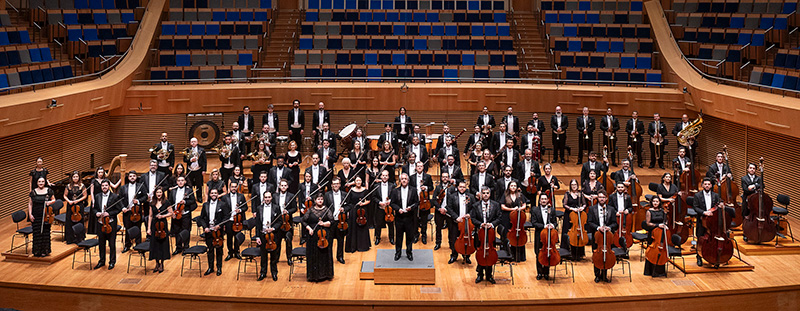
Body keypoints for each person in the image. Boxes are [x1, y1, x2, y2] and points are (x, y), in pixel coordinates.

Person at [692, 177, 728, 267]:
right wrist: (704, 212)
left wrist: (721, 205)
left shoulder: (715, 195)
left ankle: (713, 257)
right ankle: (699, 257)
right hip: (702, 221)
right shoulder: (697, 195)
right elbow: (695, 207)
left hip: (712, 222)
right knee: (700, 238)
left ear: (711, 185)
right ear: (702, 185)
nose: (707, 186)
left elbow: (720, 203)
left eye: (709, 184)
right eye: (705, 184)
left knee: (713, 240)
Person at [471, 186, 501, 284]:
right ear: (481, 194)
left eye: (487, 193)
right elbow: (473, 218)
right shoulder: (476, 205)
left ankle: (489, 275)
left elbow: (499, 218)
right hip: (480, 233)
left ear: (490, 194)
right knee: (480, 254)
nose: (485, 195)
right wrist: (480, 224)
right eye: (484, 193)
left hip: (491, 233)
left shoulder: (496, 205)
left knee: (490, 253)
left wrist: (492, 224)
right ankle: (480, 274)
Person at [302, 193, 334, 282]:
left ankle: (325, 274)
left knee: (324, 254)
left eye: (321, 199)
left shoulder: (327, 210)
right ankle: (313, 276)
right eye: (318, 199)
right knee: (313, 254)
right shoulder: (310, 210)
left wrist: (324, 224)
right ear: (315, 200)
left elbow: (332, 221)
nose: (320, 201)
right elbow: (304, 221)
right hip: (313, 235)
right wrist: (309, 228)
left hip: (324, 236)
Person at [586, 191, 617, 283]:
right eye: (600, 197)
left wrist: (609, 227)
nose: (602, 199)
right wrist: (598, 228)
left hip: (608, 236)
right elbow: (589, 222)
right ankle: (597, 275)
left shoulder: (611, 209)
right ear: (597, 198)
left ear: (606, 198)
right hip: (597, 236)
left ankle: (604, 275)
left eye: (603, 197)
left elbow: (615, 223)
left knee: (607, 255)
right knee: (597, 255)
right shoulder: (592, 209)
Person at [198, 188, 229, 276]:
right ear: (210, 194)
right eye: (212, 193)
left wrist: (219, 225)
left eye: (215, 193)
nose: (214, 194)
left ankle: (219, 268)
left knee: (219, 250)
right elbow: (201, 218)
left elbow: (227, 216)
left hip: (218, 232)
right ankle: (210, 267)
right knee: (210, 250)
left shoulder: (222, 204)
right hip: (209, 231)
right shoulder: (205, 205)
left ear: (218, 194)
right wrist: (205, 227)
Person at [93, 180, 121, 269]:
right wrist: (96, 213)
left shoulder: (114, 196)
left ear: (109, 186)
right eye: (103, 185)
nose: (104, 187)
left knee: (112, 244)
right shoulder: (97, 196)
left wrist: (109, 213)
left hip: (110, 223)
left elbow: (118, 209)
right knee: (101, 244)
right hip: (100, 223)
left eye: (106, 185)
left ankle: (112, 262)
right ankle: (101, 261)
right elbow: (94, 209)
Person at [255, 191, 282, 281]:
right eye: (265, 197)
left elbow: (280, 221)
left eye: (269, 197)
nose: (267, 199)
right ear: (263, 198)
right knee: (263, 256)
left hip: (273, 235)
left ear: (271, 198)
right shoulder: (259, 208)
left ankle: (274, 273)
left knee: (274, 256)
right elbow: (258, 224)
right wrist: (257, 237)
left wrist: (273, 228)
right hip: (263, 235)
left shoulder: (276, 208)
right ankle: (263, 273)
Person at [391, 173, 419, 261]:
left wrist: (411, 208)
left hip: (409, 218)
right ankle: (398, 253)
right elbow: (392, 203)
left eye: (405, 179)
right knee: (398, 237)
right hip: (399, 218)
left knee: (409, 237)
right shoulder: (395, 191)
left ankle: (409, 252)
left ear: (408, 180)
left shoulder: (413, 190)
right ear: (400, 180)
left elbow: (417, 202)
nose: (404, 180)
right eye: (402, 179)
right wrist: (398, 209)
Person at [147, 186, 172, 273]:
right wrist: (148, 228)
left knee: (163, 245)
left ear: (162, 193)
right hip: (154, 225)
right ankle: (156, 263)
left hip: (163, 225)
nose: (159, 194)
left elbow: (171, 213)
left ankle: (161, 263)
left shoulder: (166, 202)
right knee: (155, 245)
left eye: (160, 192)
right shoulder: (152, 203)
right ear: (155, 193)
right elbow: (150, 216)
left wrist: (163, 216)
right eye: (157, 192)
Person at [501, 180, 528, 262]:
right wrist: (512, 209)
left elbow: (524, 205)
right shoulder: (505, 195)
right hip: (507, 217)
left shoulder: (520, 195)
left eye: (514, 186)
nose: (513, 187)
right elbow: (502, 206)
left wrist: (520, 209)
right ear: (509, 187)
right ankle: (508, 255)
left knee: (519, 235)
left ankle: (519, 256)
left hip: (518, 218)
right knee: (508, 235)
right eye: (511, 186)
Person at [532, 194, 558, 280]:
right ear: (539, 200)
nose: (543, 200)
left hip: (549, 235)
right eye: (542, 199)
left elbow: (555, 222)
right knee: (538, 253)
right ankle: (539, 273)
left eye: (545, 199)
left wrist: (552, 225)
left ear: (548, 201)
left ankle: (546, 272)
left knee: (548, 253)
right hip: (539, 235)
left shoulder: (552, 210)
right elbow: (534, 223)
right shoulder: (535, 210)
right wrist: (544, 226)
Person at [119, 171, 146, 253]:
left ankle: (138, 245)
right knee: (127, 229)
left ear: (136, 177)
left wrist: (138, 201)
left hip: (137, 211)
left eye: (134, 176)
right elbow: (120, 200)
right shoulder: (123, 187)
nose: (132, 177)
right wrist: (123, 207)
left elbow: (145, 196)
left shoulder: (140, 186)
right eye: (130, 176)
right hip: (127, 212)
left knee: (138, 228)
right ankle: (127, 245)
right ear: (128, 178)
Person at [446, 181, 472, 264]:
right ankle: (454, 255)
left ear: (466, 188)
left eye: (464, 187)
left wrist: (469, 214)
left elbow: (474, 207)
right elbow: (449, 208)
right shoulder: (452, 196)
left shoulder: (470, 196)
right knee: (453, 239)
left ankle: (467, 256)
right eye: (460, 187)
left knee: (467, 239)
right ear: (457, 187)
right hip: (455, 221)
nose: (462, 188)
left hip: (466, 222)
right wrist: (456, 217)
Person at [29, 177, 56, 257]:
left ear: (45, 182)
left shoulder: (49, 191)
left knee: (45, 233)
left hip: (46, 215)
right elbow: (30, 204)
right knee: (37, 233)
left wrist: (49, 202)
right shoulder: (33, 192)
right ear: (37, 182)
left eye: (42, 181)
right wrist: (30, 214)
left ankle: (45, 250)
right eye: (39, 181)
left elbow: (54, 200)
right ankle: (37, 251)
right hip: (36, 215)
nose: (41, 183)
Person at [170, 176, 197, 255]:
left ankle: (186, 247)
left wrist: (185, 202)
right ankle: (178, 247)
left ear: (185, 181)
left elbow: (192, 201)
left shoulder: (189, 190)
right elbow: (170, 202)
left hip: (185, 214)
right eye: (179, 180)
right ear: (177, 182)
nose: (180, 182)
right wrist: (172, 213)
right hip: (176, 214)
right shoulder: (173, 191)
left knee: (186, 230)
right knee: (177, 231)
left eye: (182, 180)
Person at [561, 179, 586, 260]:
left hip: (578, 215)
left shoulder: (580, 194)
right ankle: (568, 252)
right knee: (569, 232)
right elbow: (564, 205)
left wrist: (582, 208)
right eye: (572, 185)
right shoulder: (567, 194)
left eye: (575, 184)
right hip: (569, 215)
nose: (574, 186)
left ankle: (579, 252)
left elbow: (584, 203)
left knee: (578, 231)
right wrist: (572, 208)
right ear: (570, 186)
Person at [326, 177, 349, 264]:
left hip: (341, 221)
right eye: (334, 184)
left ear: (340, 185)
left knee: (340, 240)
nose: (336, 185)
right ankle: (329, 258)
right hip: (331, 221)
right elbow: (325, 207)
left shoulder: (344, 194)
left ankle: (340, 257)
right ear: (332, 185)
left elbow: (349, 206)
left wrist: (344, 209)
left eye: (337, 184)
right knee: (330, 240)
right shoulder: (327, 195)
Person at [274, 179, 298, 264]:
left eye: (285, 185)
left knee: (288, 241)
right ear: (279, 186)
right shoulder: (275, 196)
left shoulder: (291, 196)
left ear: (287, 186)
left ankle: (289, 258)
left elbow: (295, 208)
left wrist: (287, 211)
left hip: (288, 222)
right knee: (277, 241)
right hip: (278, 222)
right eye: (282, 185)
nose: (283, 187)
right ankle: (276, 258)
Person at [222, 181, 247, 261]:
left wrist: (240, 209)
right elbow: (223, 210)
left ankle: (237, 252)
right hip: (229, 220)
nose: (233, 188)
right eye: (232, 187)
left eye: (235, 187)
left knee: (237, 237)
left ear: (237, 187)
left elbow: (245, 207)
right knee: (229, 237)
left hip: (238, 221)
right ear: (229, 188)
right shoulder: (225, 197)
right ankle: (230, 253)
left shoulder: (241, 196)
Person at [643, 196, 667, 277]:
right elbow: (648, 223)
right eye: (654, 201)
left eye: (657, 201)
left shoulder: (662, 211)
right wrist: (657, 225)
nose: (655, 203)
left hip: (661, 234)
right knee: (652, 251)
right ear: (652, 202)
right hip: (652, 234)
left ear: (659, 202)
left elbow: (665, 221)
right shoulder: (649, 211)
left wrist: (665, 225)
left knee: (661, 250)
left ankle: (660, 271)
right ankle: (650, 271)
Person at [409, 161, 433, 244]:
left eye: (421, 166)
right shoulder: (411, 177)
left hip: (424, 202)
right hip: (415, 201)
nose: (419, 167)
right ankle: (416, 235)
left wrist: (426, 188)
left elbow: (431, 187)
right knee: (414, 220)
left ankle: (424, 235)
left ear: (423, 167)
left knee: (424, 220)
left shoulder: (428, 176)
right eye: (418, 166)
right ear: (415, 167)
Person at [346, 176, 371, 252]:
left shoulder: (365, 190)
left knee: (362, 228)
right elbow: (348, 202)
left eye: (360, 180)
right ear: (354, 182)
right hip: (353, 211)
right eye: (357, 181)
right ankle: (354, 246)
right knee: (353, 228)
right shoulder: (351, 191)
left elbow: (369, 200)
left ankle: (363, 246)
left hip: (362, 211)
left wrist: (363, 204)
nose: (358, 182)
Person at [63, 171, 87, 244]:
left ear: (79, 177)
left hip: (79, 206)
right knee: (70, 221)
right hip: (70, 206)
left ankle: (79, 238)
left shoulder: (82, 186)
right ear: (71, 178)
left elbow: (85, 196)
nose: (75, 178)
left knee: (79, 221)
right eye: (74, 177)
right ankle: (70, 238)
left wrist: (78, 200)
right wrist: (69, 201)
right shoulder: (68, 186)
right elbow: (64, 195)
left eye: (77, 177)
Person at [431, 172, 453, 251]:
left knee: (451, 229)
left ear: (448, 178)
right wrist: (439, 208)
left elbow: (454, 200)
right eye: (443, 177)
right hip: (439, 211)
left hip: (449, 211)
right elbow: (434, 200)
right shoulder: (438, 188)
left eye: (446, 177)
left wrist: (447, 209)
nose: (444, 178)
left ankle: (451, 244)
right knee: (438, 228)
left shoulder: (452, 188)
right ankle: (438, 243)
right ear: (441, 178)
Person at [374, 170, 395, 245]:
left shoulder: (392, 185)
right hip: (380, 208)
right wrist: (379, 202)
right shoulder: (376, 186)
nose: (385, 177)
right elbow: (374, 197)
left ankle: (391, 238)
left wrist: (390, 201)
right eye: (383, 175)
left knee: (391, 224)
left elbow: (394, 196)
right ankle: (377, 238)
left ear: (388, 177)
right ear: (381, 176)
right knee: (378, 224)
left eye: (386, 175)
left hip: (389, 209)